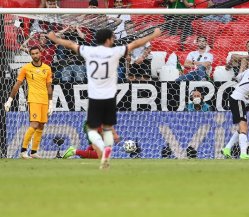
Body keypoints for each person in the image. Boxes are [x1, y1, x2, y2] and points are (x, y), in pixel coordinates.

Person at [46, 27, 162, 169]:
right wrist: (154, 35)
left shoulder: (89, 51)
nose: (114, 40)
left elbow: (70, 44)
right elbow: (136, 43)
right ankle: (105, 150)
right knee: (107, 129)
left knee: (93, 131)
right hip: (110, 98)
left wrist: (54, 38)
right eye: (113, 38)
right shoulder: (114, 51)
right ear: (108, 39)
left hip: (94, 98)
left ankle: (100, 148)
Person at [4, 46, 53, 159]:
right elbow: (17, 84)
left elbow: (49, 86)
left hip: (44, 100)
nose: (35, 55)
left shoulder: (47, 68)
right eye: (33, 54)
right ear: (30, 55)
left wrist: (50, 103)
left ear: (40, 53)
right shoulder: (26, 68)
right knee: (34, 124)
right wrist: (10, 100)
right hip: (33, 99)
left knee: (41, 126)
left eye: (37, 53)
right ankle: (23, 150)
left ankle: (34, 152)